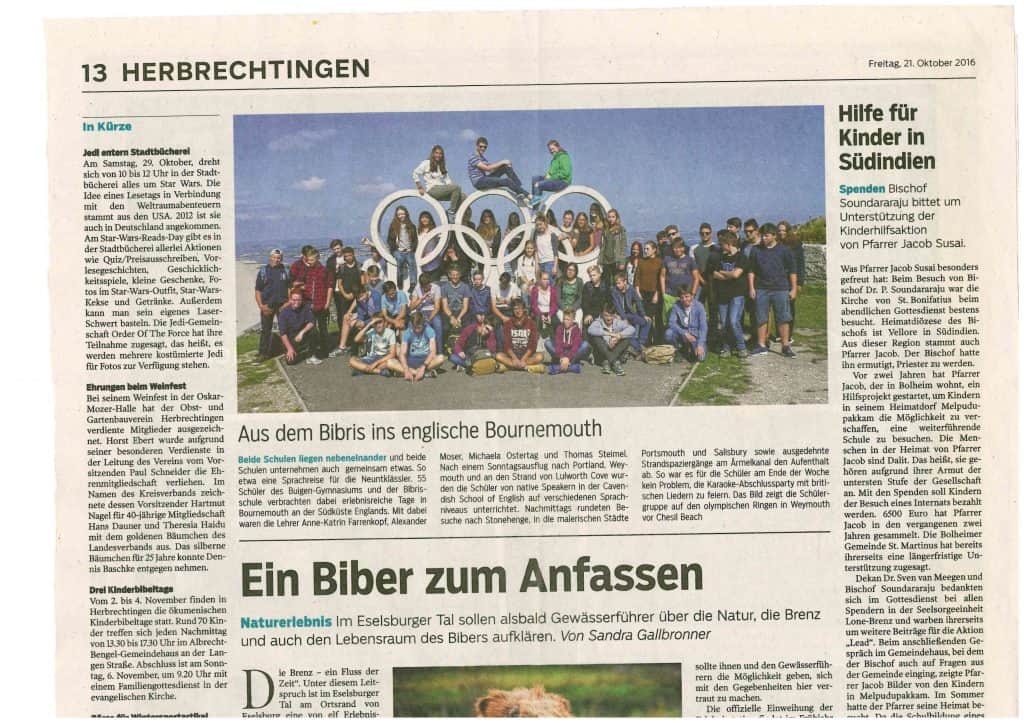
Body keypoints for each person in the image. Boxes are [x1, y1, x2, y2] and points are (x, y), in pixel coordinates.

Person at [748, 222, 798, 357]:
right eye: (762, 236)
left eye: (766, 236)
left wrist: (794, 288)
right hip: (761, 288)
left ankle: (785, 346)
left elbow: (792, 270)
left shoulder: (785, 250)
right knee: (761, 317)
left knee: (783, 317)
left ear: (774, 236)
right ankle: (761, 345)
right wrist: (751, 287)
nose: (763, 238)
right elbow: (751, 270)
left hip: (780, 288)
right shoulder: (756, 250)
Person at [707, 229, 748, 357]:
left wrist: (723, 273)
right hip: (722, 294)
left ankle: (741, 347)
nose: (721, 246)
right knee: (724, 323)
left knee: (734, 321)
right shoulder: (720, 257)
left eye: (722, 244)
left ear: (729, 244)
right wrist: (728, 275)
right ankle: (726, 347)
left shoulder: (741, 257)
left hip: (737, 294)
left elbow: (736, 274)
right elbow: (714, 274)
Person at [288, 246, 332, 360]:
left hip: (321, 303)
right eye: (308, 260)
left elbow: (329, 287)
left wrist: (328, 302)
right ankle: (313, 351)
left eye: (312, 260)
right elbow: (296, 283)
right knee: (311, 329)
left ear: (317, 258)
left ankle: (325, 350)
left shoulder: (325, 270)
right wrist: (300, 286)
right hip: (308, 304)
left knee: (323, 328)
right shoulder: (306, 270)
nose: (309, 262)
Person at [254, 248, 290, 360]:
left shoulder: (286, 270)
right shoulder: (263, 271)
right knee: (266, 330)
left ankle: (288, 350)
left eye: (278, 258)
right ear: (270, 257)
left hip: (282, 305)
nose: (276, 260)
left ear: (281, 258)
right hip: (267, 306)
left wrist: (288, 303)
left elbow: (290, 288)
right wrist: (261, 306)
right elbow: (258, 290)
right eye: (274, 257)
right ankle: (263, 353)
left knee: (285, 329)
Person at [412, 145, 464, 222]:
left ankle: (454, 215)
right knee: (457, 187)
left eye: (440, 153)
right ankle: (451, 212)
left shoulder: (442, 166)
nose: (438, 155)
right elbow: (415, 173)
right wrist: (419, 187)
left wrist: (455, 190)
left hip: (441, 191)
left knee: (463, 196)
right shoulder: (427, 163)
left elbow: (448, 181)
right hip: (432, 189)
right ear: (433, 153)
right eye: (436, 153)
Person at [387, 311, 445, 381]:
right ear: (411, 324)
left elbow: (432, 352)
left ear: (423, 324)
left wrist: (423, 367)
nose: (417, 330)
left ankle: (411, 373)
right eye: (414, 327)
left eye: (419, 327)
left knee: (441, 358)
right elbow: (402, 353)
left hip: (425, 360)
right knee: (389, 362)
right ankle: (423, 373)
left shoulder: (429, 330)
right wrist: (406, 369)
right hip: (411, 360)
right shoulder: (407, 332)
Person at [660, 237, 700, 328]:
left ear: (683, 248)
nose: (677, 250)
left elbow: (696, 278)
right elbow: (662, 276)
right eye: (675, 247)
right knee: (670, 321)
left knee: (686, 320)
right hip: (670, 294)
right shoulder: (667, 259)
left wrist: (693, 294)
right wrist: (663, 292)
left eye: (679, 247)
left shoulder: (690, 260)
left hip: (685, 296)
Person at [496, 298, 544, 372]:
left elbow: (533, 344)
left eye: (520, 308)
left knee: (540, 357)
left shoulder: (531, 323)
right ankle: (526, 367)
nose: (518, 311)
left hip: (526, 354)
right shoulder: (508, 323)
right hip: (512, 354)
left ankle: (510, 366)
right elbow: (507, 344)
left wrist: (524, 359)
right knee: (498, 356)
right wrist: (514, 358)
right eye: (515, 309)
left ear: (524, 309)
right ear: (512, 310)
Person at [334, 284, 382, 356]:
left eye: (361, 296)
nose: (360, 299)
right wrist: (359, 320)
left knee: (356, 323)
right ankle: (342, 347)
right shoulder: (359, 299)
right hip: (368, 317)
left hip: (377, 318)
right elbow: (360, 312)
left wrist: (364, 323)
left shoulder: (375, 296)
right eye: (358, 298)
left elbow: (378, 315)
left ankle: (364, 341)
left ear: (366, 291)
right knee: (347, 318)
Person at [587, 303, 635, 376]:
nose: (609, 318)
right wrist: (610, 334)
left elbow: (632, 329)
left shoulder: (617, 322)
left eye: (611, 315)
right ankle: (614, 362)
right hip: (602, 354)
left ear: (614, 315)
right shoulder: (598, 321)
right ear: (602, 314)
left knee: (627, 338)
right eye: (606, 315)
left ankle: (608, 362)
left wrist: (619, 336)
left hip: (615, 350)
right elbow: (590, 330)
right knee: (596, 337)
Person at [277, 289, 321, 365]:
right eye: (294, 300)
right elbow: (283, 334)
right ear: (290, 300)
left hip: (301, 335)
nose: (296, 302)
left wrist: (302, 332)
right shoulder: (283, 313)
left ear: (302, 300)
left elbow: (311, 322)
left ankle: (311, 355)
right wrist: (289, 349)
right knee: (290, 362)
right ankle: (296, 350)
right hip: (291, 338)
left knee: (314, 331)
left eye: (299, 300)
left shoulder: (305, 308)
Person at [610, 271, 651, 352]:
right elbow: (618, 306)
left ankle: (641, 343)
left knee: (647, 321)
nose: (617, 285)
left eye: (619, 283)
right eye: (616, 283)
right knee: (628, 330)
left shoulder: (631, 289)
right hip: (619, 315)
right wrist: (624, 318)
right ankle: (637, 347)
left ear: (625, 282)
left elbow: (638, 302)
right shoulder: (614, 291)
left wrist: (643, 315)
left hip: (630, 314)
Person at [778, 219, 805, 339]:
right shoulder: (777, 244)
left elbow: (801, 264)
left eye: (783, 230)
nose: (781, 233)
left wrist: (799, 283)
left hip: (791, 279)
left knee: (790, 306)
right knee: (779, 306)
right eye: (779, 230)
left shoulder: (796, 244)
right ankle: (780, 333)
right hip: (779, 279)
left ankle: (789, 334)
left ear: (788, 231)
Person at [349, 312, 397, 377]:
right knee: (352, 360)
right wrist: (369, 325)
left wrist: (376, 363)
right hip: (372, 357)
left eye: (380, 322)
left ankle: (363, 369)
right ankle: (378, 371)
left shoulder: (390, 333)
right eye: (375, 323)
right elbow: (356, 339)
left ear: (385, 322)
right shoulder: (372, 331)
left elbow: (392, 354)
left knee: (388, 364)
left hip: (383, 358)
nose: (378, 325)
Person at [665, 289, 707, 362]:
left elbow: (703, 327)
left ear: (692, 296)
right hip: (683, 333)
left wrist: (700, 345)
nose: (684, 299)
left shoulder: (699, 306)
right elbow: (671, 323)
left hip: (695, 334)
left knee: (701, 358)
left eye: (687, 296)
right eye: (682, 297)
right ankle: (677, 350)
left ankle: (695, 347)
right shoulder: (676, 306)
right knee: (668, 333)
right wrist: (684, 333)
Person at [545, 307, 590, 374]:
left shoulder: (576, 329)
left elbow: (575, 346)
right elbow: (558, 344)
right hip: (561, 352)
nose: (565, 321)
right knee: (548, 343)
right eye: (564, 319)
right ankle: (571, 366)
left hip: (572, 353)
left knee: (585, 345)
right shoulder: (560, 328)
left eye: (568, 320)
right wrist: (562, 357)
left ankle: (560, 365)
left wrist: (568, 358)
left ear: (573, 320)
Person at [636, 240, 664, 342]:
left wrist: (657, 293)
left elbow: (660, 279)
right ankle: (647, 340)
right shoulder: (641, 261)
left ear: (654, 250)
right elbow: (637, 277)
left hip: (654, 293)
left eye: (648, 249)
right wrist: (638, 291)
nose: (645, 251)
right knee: (645, 317)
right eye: (644, 249)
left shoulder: (659, 262)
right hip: (643, 292)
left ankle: (659, 340)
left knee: (657, 317)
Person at [530, 139, 572, 207]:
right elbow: (551, 173)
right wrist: (547, 175)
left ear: (558, 147)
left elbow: (565, 172)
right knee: (535, 178)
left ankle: (536, 203)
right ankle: (535, 200)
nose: (551, 151)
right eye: (550, 150)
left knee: (539, 184)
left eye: (553, 149)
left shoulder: (564, 157)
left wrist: (551, 177)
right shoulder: (554, 159)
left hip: (563, 182)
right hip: (555, 180)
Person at [386, 205, 418, 292]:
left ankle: (413, 284)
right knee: (400, 260)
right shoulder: (393, 226)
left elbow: (415, 240)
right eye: (399, 214)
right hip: (398, 250)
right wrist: (395, 249)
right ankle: (399, 282)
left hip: (409, 250)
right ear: (396, 215)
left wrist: (412, 249)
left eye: (403, 214)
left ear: (406, 214)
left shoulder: (411, 226)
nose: (401, 216)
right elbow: (389, 240)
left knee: (412, 263)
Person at [441, 266, 471, 344]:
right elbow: (445, 306)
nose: (455, 277)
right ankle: (445, 346)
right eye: (453, 275)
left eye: (457, 275)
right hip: (449, 312)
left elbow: (465, 306)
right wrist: (451, 317)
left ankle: (466, 346)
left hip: (461, 312)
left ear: (460, 275)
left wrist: (459, 318)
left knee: (468, 326)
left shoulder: (465, 287)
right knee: (445, 327)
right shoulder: (444, 287)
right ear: (449, 275)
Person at [409, 272, 443, 341]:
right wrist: (421, 299)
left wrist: (429, 319)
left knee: (438, 324)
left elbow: (437, 307)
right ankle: (413, 345)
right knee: (410, 323)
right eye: (423, 287)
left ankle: (439, 347)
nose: (426, 289)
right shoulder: (417, 289)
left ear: (430, 283)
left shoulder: (436, 288)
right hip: (420, 312)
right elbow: (411, 307)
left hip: (433, 311)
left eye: (427, 286)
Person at [533, 214, 569, 279]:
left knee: (550, 283)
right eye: (537, 225)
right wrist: (536, 266)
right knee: (542, 284)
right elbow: (536, 251)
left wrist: (555, 266)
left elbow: (555, 252)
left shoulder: (552, 235)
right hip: (540, 264)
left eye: (540, 224)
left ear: (545, 223)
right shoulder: (536, 236)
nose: (539, 226)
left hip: (550, 263)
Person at [599, 208, 627, 285]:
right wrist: (600, 261)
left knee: (617, 282)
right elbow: (603, 246)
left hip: (616, 260)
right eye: (609, 217)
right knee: (606, 282)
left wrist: (622, 262)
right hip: (606, 260)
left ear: (616, 218)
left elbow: (623, 246)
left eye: (613, 217)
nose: (611, 219)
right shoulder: (605, 230)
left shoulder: (621, 230)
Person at [530, 270, 559, 339]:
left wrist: (550, 315)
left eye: (547, 279)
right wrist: (541, 315)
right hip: (538, 311)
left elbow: (554, 305)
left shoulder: (553, 290)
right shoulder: (535, 290)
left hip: (550, 311)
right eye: (544, 279)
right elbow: (534, 305)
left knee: (556, 322)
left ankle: (554, 339)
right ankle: (536, 339)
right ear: (540, 280)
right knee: (537, 320)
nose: (546, 281)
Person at [416, 211, 444, 281]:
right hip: (422, 262)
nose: (424, 219)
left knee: (434, 283)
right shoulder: (417, 231)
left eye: (426, 217)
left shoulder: (435, 231)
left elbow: (441, 242)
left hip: (434, 261)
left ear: (430, 219)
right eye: (422, 218)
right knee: (425, 283)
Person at [581, 264, 609, 331]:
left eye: (594, 275)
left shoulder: (605, 286)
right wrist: (588, 314)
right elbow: (584, 302)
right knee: (587, 324)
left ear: (599, 274)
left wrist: (603, 314)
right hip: (589, 312)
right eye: (590, 276)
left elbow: (608, 302)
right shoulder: (587, 286)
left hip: (602, 312)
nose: (592, 277)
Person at [556, 262, 584, 327]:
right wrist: (564, 308)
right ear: (566, 270)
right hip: (562, 307)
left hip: (575, 308)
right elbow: (557, 298)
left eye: (573, 270)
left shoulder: (579, 281)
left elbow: (580, 298)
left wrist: (572, 308)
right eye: (569, 269)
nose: (570, 272)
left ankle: (576, 333)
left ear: (576, 272)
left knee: (576, 322)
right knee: (564, 322)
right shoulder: (560, 280)